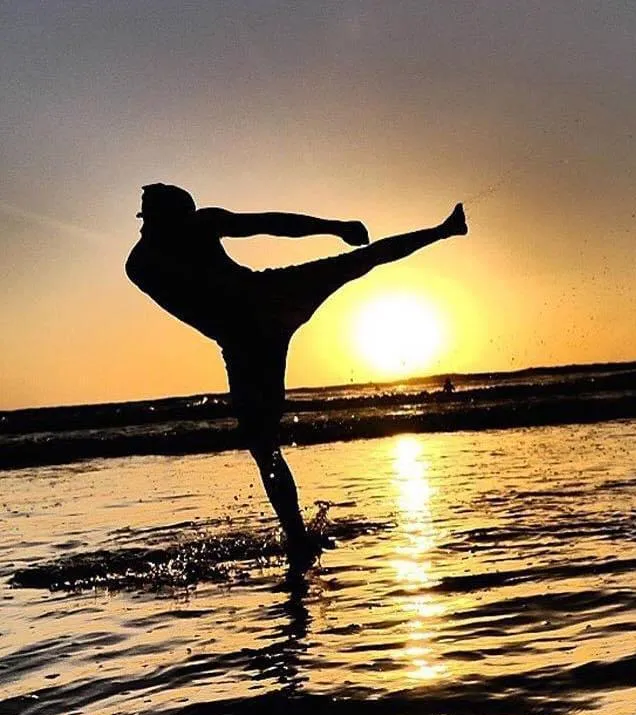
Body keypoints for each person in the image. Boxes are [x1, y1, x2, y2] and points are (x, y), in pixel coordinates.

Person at [126, 183, 468, 571]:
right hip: (252, 328)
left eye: (148, 218)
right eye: (144, 219)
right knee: (264, 446)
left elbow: (270, 224)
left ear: (170, 217)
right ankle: (297, 537)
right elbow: (236, 256)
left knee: (360, 261)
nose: (142, 226)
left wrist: (334, 227)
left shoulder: (178, 238)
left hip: (263, 308)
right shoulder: (144, 261)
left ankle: (444, 230)